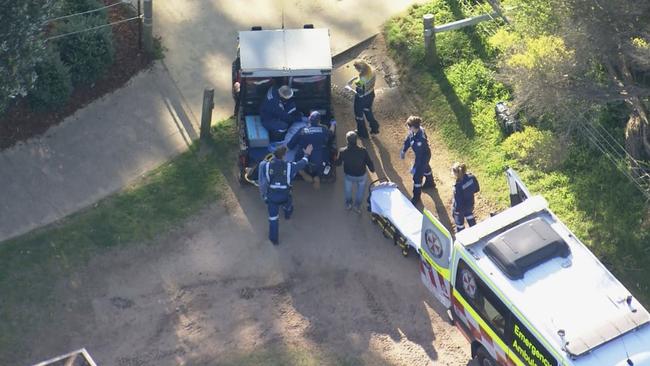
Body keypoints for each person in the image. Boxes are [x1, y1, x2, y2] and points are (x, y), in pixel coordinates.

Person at [258, 144, 314, 245]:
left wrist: (264, 196)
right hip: (285, 195)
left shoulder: (265, 165)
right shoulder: (289, 166)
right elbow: (302, 163)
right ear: (284, 156)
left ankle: (274, 240)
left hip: (272, 197)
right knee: (288, 206)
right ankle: (287, 215)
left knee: (273, 219)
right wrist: (307, 154)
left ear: (274, 155)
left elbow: (262, 181)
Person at [287, 111, 335, 190]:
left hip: (303, 159)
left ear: (309, 120)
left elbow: (290, 145)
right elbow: (331, 133)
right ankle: (317, 176)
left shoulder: (302, 130)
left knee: (300, 167)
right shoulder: (323, 129)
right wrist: (333, 123)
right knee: (323, 159)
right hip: (319, 160)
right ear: (319, 121)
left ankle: (303, 173)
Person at [335, 131, 376, 213]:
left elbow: (338, 164)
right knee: (360, 191)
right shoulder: (363, 151)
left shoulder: (342, 151)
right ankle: (357, 206)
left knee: (348, 190)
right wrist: (372, 169)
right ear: (356, 140)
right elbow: (369, 162)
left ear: (347, 140)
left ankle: (348, 204)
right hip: (361, 175)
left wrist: (335, 159)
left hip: (349, 175)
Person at [400, 116, 435, 204]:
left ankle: (416, 197)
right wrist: (404, 150)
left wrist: (415, 167)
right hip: (424, 155)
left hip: (423, 156)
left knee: (417, 177)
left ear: (413, 127)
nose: (408, 128)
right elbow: (409, 139)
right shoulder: (416, 131)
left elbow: (419, 158)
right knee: (426, 167)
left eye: (409, 126)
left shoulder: (420, 140)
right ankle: (430, 183)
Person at [347, 60, 379, 138]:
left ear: (361, 69)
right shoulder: (372, 70)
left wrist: (349, 89)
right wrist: (354, 79)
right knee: (368, 111)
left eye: (357, 69)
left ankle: (362, 133)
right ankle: (375, 129)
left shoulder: (360, 81)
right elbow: (364, 79)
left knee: (359, 116)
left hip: (361, 99)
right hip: (370, 95)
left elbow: (359, 94)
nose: (357, 71)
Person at [451, 162, 480, 232]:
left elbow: (458, 202)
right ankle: (475, 232)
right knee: (469, 216)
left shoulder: (457, 186)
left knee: (460, 225)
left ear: (456, 173)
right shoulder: (472, 177)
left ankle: (461, 234)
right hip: (470, 204)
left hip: (460, 209)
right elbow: (477, 189)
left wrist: (455, 211)